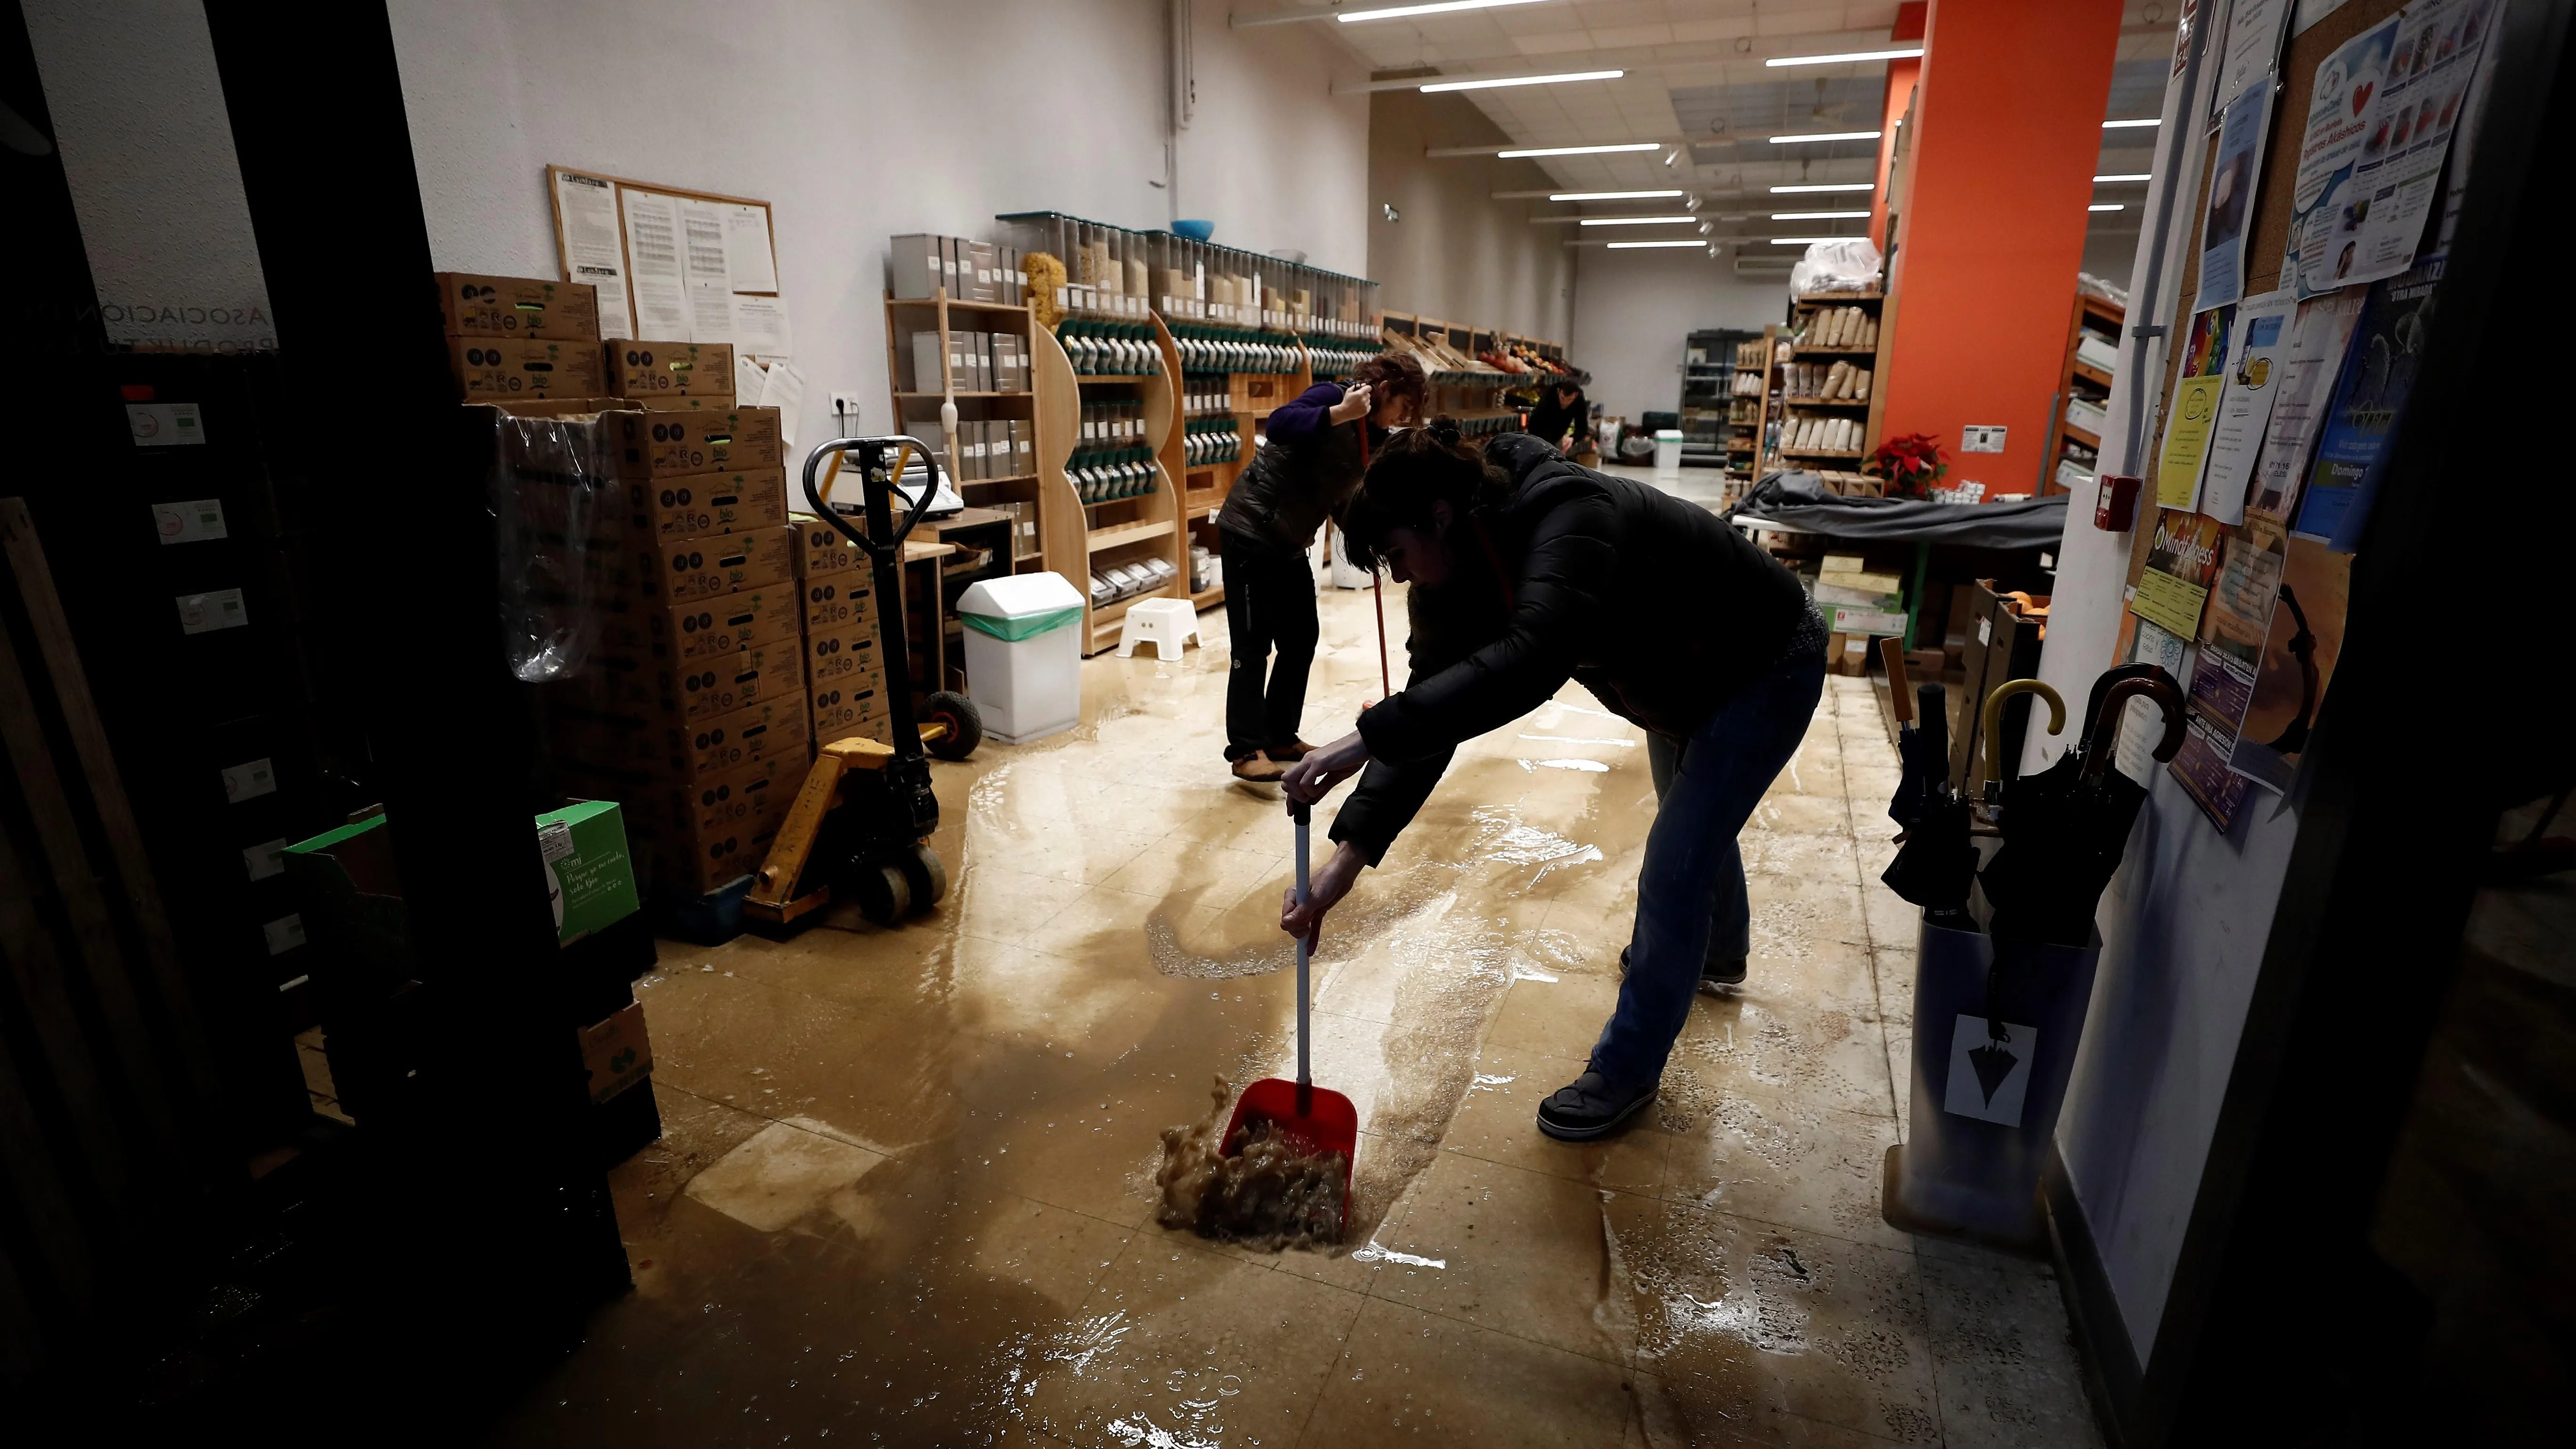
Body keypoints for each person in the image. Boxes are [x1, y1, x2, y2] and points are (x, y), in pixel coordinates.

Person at [1277, 421, 1827, 1141]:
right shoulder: (1455, 566)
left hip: (1761, 658)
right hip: (1675, 674)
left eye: (1397, 554)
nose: (1400, 574)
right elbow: (1437, 707)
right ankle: (1716, 950)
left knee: (1676, 863)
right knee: (1691, 820)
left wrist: (1364, 736)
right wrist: (1341, 864)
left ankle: (1625, 1071)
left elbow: (1534, 658)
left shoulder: (1569, 511)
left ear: (1438, 515)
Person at [1216, 352, 1427, 783]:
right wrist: (1339, 412)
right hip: (1251, 532)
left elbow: (1342, 498)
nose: (1402, 417)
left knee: (1300, 638)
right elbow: (1278, 425)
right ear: (1384, 390)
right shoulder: (1331, 397)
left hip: (1289, 541)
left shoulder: (1371, 437)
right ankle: (1245, 749)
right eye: (1402, 406)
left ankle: (1278, 735)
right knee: (1252, 646)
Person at [1524, 378, 1588, 455]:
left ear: (1576, 395)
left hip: (1560, 430)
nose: (1565, 403)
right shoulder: (1549, 395)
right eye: (1563, 398)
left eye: (1570, 399)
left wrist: (1573, 438)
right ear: (1559, 392)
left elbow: (1583, 427)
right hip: (1540, 428)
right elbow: (1536, 422)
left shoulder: (1580, 400)